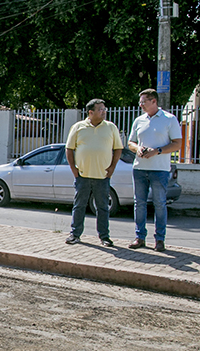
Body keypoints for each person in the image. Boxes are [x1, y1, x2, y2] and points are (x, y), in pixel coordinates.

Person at [126, 88, 182, 252]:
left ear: (154, 101)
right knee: (139, 204)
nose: (140, 105)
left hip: (159, 169)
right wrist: (137, 149)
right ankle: (140, 237)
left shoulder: (169, 119)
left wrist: (156, 151)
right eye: (140, 102)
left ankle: (159, 239)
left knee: (159, 204)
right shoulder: (139, 120)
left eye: (143, 101)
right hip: (140, 168)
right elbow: (130, 142)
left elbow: (177, 143)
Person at [65, 99, 123, 247]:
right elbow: (69, 149)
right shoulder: (78, 127)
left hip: (102, 176)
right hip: (82, 176)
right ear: (90, 112)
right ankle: (75, 234)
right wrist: (74, 169)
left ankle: (104, 236)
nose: (104, 112)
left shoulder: (110, 127)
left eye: (104, 109)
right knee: (79, 205)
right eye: (100, 110)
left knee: (103, 207)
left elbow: (118, 148)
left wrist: (112, 168)